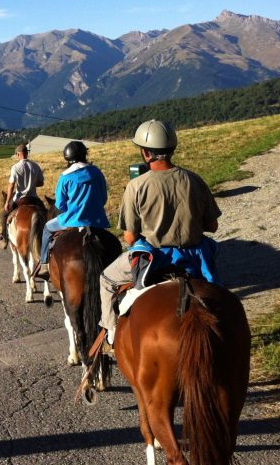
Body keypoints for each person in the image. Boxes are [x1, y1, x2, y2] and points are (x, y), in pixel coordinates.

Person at [99, 119, 221, 345]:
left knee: (106, 280)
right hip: (196, 257)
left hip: (155, 259)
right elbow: (212, 226)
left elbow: (130, 237)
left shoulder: (136, 186)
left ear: (146, 153)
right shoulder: (194, 179)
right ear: (172, 148)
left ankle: (111, 332)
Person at [36, 141, 110, 279]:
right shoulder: (97, 172)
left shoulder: (65, 177)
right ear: (85, 155)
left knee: (46, 228)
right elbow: (103, 198)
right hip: (97, 220)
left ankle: (44, 264)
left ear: (67, 158)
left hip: (72, 220)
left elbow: (60, 205)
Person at [0, 144, 44, 249]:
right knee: (45, 213)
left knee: (4, 215)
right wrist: (31, 183)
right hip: (34, 198)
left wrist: (7, 202)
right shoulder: (35, 166)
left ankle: (4, 239)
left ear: (18, 154)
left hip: (20, 199)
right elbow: (41, 183)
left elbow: (11, 185)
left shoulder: (15, 167)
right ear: (27, 153)